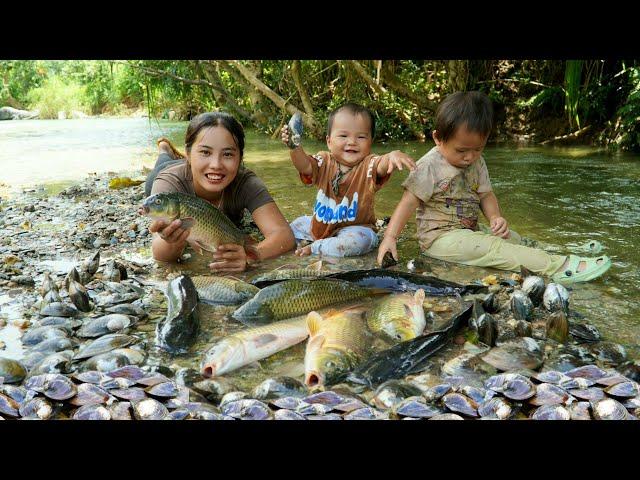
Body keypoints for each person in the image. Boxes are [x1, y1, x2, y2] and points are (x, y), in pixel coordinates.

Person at [376, 91, 612, 285]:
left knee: (513, 237)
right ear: (438, 138)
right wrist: (390, 238)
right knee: (495, 248)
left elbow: (485, 194)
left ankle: (555, 250)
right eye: (461, 151)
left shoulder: (477, 161)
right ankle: (560, 266)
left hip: (468, 231)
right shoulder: (429, 166)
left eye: (477, 149)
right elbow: (407, 202)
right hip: (439, 240)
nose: (470, 157)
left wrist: (495, 217)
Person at [146, 111, 296, 273]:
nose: (216, 164)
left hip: (195, 173)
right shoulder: (169, 182)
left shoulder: (246, 181)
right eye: (205, 152)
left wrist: (252, 255)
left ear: (240, 158)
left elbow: (283, 235)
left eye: (227, 154)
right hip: (165, 171)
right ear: (188, 153)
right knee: (163, 159)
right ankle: (165, 149)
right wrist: (172, 241)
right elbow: (160, 255)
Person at [280, 102, 416, 257]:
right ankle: (315, 243)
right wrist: (294, 147)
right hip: (320, 225)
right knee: (289, 228)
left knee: (358, 242)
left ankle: (315, 248)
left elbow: (381, 164)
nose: (352, 141)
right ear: (329, 141)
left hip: (356, 229)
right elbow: (304, 166)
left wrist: (391, 157)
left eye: (361, 137)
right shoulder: (324, 160)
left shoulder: (368, 165)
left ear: (370, 142)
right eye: (343, 136)